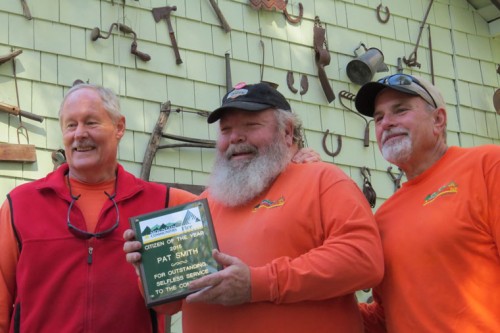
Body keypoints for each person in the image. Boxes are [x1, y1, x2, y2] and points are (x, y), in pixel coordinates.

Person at [124, 82, 384, 333]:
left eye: (251, 125)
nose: (236, 137)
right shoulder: (204, 205)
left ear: (287, 132)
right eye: (226, 130)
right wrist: (148, 269)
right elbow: (168, 305)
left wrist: (258, 284)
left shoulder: (322, 180)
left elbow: (363, 259)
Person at [0, 83, 197, 332]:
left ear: (119, 127)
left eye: (91, 122)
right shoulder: (19, 204)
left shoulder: (166, 205)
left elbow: (173, 304)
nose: (79, 133)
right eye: (71, 125)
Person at [354, 74, 500, 332]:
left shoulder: (488, 166)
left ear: (438, 119)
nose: (386, 123)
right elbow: (385, 316)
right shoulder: (383, 218)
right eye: (378, 118)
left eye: (400, 110)